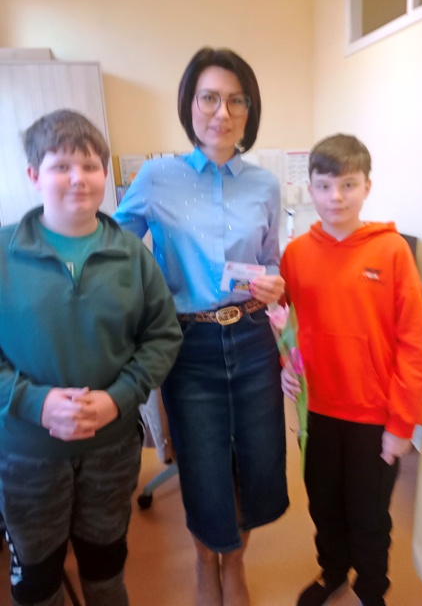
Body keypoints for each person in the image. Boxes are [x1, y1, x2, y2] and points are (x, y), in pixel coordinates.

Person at [114, 47, 289, 606]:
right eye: (209, 98)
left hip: (253, 337)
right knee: (203, 464)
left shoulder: (264, 185)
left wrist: (275, 282)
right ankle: (203, 562)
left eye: (236, 100)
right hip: (189, 344)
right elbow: (115, 248)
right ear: (190, 104)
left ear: (249, 110)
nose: (222, 112)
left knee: (257, 464)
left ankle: (234, 563)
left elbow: (271, 259)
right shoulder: (156, 177)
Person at [0, 109, 183, 606]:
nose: (78, 178)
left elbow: (162, 336)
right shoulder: (5, 253)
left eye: (90, 165)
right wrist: (34, 403)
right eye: (61, 166)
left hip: (111, 449)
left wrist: (119, 397)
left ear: (105, 173)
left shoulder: (132, 254)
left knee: (106, 569)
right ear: (34, 175)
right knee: (37, 580)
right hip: (26, 454)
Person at [280, 134, 422, 606]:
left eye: (348, 184)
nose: (336, 197)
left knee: (369, 516)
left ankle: (371, 589)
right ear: (310, 188)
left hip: (374, 418)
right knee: (325, 507)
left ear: (367, 186)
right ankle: (332, 574)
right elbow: (285, 325)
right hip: (316, 414)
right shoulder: (296, 254)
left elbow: (414, 344)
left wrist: (402, 424)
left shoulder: (391, 251)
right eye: (325, 186)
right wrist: (285, 365)